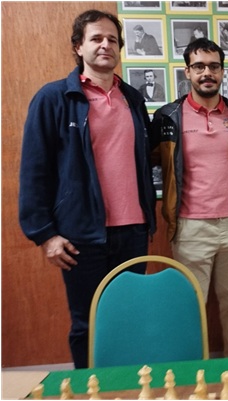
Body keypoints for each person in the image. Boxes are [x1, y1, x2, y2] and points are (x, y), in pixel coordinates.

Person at [18, 9, 157, 368]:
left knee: (128, 321)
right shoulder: (54, 98)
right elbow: (34, 171)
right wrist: (45, 235)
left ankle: (128, 389)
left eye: (112, 39)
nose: (105, 45)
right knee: (88, 325)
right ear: (78, 47)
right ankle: (89, 390)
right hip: (81, 235)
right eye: (96, 38)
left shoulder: (133, 99)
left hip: (133, 231)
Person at [151, 38, 228, 358]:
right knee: (192, 304)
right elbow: (148, 162)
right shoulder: (168, 117)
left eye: (214, 66)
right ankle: (195, 370)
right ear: (187, 72)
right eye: (199, 67)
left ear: (222, 71)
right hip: (190, 228)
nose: (207, 73)